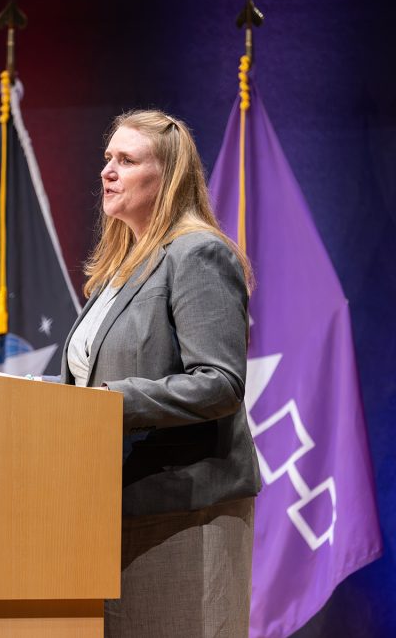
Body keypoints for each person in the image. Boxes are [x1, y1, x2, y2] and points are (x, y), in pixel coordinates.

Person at [61, 110, 261, 637]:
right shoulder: (121, 266)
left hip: (185, 514)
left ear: (168, 177)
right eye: (108, 159)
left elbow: (220, 381)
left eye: (126, 161)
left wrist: (109, 401)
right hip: (112, 508)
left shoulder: (198, 253)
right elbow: (89, 380)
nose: (108, 171)